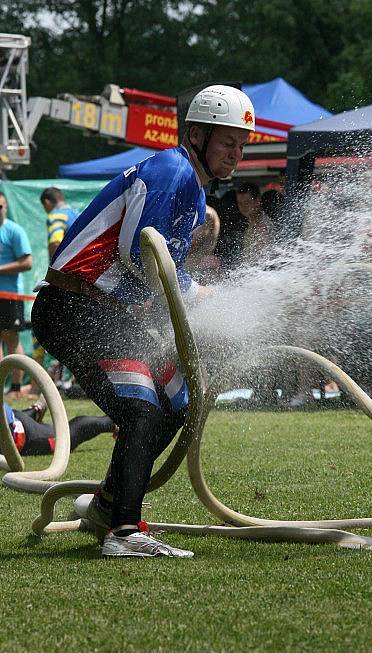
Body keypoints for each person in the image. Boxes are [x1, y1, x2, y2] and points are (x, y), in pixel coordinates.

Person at [31, 85, 256, 558]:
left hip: (104, 311)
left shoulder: (190, 188)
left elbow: (157, 274)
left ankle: (108, 507)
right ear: (196, 134)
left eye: (241, 145)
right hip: (75, 306)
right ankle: (124, 532)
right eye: (227, 142)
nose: (236, 154)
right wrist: (203, 295)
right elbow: (142, 257)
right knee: (141, 409)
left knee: (180, 399)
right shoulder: (173, 170)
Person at [0, 193, 33, 398]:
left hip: (10, 296)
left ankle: (15, 388)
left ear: (5, 207)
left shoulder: (14, 230)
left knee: (11, 339)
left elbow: (27, 263)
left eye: (0, 206)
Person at [3, 398, 114, 456]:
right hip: (14, 419)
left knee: (65, 437)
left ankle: (113, 422)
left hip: (21, 435)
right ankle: (35, 410)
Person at [235, 183, 274, 264]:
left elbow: (263, 260)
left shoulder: (263, 226)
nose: (243, 207)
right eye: (240, 203)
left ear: (257, 201)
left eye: (247, 203)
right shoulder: (251, 223)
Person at [40, 188, 80, 260]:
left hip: (68, 265)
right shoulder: (77, 213)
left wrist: (54, 268)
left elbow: (55, 244)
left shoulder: (56, 216)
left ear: (47, 202)